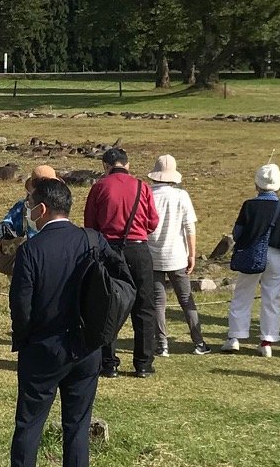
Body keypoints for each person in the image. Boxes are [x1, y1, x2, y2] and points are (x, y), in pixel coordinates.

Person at [0, 178, 101, 467]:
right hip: (86, 345)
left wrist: (24, 337)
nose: (28, 210)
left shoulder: (31, 250)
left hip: (43, 344)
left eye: (30, 205)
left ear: (41, 209)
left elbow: (21, 305)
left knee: (30, 419)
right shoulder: (93, 241)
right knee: (78, 421)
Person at [82, 146, 161, 378]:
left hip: (109, 249)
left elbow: (90, 224)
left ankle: (109, 363)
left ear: (105, 166)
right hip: (138, 249)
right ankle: (143, 363)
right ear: (127, 164)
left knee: (108, 304)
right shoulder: (142, 187)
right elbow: (152, 222)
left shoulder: (99, 187)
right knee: (144, 307)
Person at [227, 162, 280, 356]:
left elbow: (237, 232)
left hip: (251, 253)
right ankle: (267, 341)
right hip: (276, 255)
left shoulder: (249, 206)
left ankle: (235, 337)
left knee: (242, 294)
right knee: (272, 298)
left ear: (257, 184)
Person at [145, 154, 208, 356]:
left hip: (153, 255)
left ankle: (162, 344)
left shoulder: (147, 194)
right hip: (177, 255)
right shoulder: (181, 195)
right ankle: (198, 342)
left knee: (158, 302)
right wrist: (192, 254)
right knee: (186, 299)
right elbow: (189, 227)